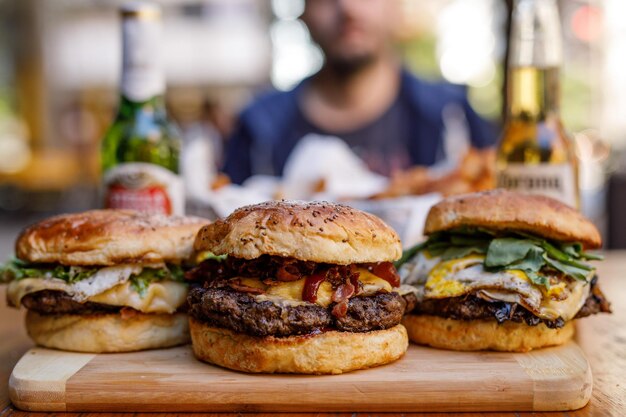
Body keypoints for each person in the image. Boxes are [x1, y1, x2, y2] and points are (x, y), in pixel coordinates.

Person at [223, 0, 496, 184]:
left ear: (395, 8)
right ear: (303, 13)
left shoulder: (455, 118)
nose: (348, 8)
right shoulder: (257, 129)